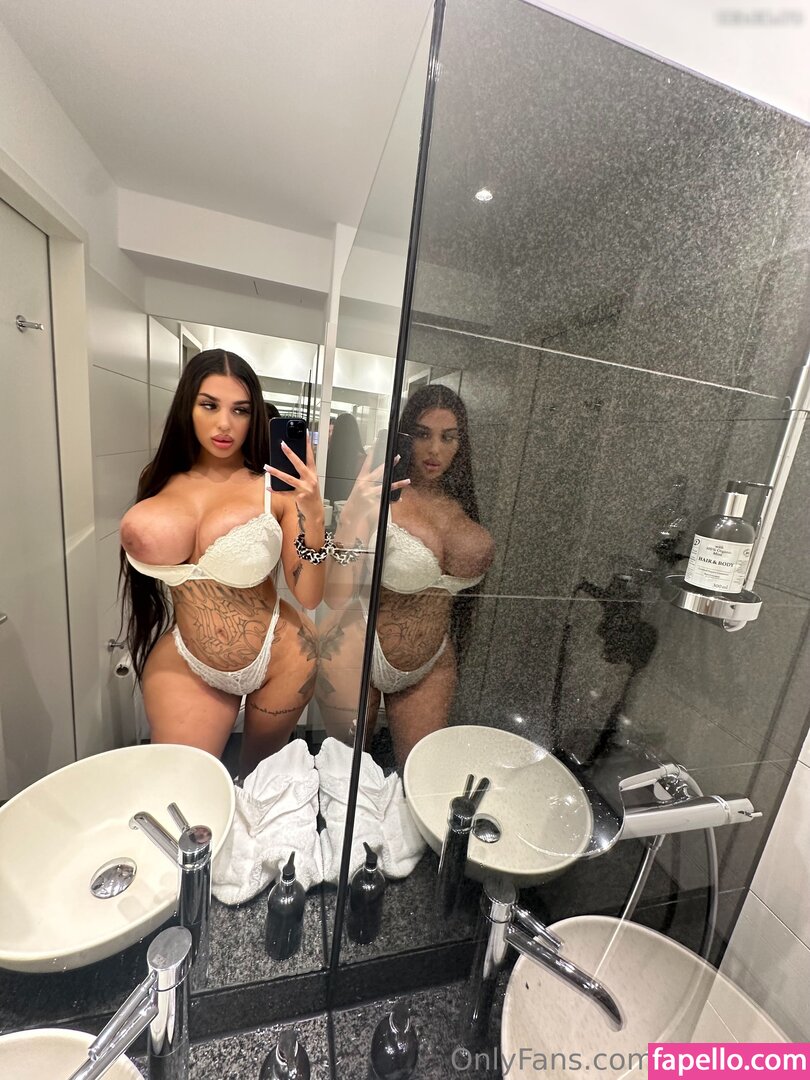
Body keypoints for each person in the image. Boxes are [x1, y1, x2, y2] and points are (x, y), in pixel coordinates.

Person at [119, 349, 326, 775]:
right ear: (187, 406)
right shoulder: (157, 479)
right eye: (209, 405)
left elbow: (309, 594)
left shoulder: (273, 489)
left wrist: (315, 516)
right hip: (187, 658)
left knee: (257, 782)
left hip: (279, 656)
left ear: (254, 417)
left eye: (240, 410)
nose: (225, 424)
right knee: (181, 784)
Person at [321, 385, 494, 765]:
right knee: (345, 775)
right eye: (422, 434)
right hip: (361, 645)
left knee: (420, 775)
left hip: (432, 660)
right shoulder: (382, 496)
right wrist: (354, 513)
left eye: (448, 437)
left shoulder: (465, 505)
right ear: (405, 436)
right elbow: (334, 594)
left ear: (461, 443)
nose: (434, 450)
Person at [324, 412, 366, 504]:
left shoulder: (327, 457)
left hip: (328, 504)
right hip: (352, 506)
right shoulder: (362, 460)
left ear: (336, 432)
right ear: (356, 433)